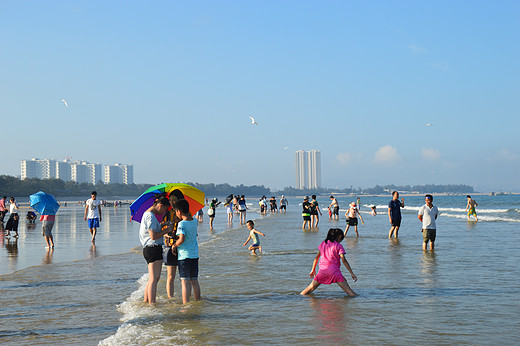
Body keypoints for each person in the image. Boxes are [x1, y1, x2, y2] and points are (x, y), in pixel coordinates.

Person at [300, 228, 357, 296]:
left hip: (323, 271)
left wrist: (313, 269)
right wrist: (352, 273)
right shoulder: (339, 246)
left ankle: (299, 300)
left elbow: (317, 257)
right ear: (339, 236)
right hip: (334, 272)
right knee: (349, 292)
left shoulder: (323, 243)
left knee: (309, 289)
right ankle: (359, 303)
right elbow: (344, 260)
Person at [139, 196, 171, 305]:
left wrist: (162, 225)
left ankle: (146, 300)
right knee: (154, 279)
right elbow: (153, 236)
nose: (163, 212)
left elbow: (151, 230)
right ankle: (152, 303)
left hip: (148, 248)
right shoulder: (151, 216)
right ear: (160, 205)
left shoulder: (147, 214)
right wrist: (167, 230)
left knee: (152, 278)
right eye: (164, 209)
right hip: (153, 248)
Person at [171, 199, 201, 304]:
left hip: (184, 256)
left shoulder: (181, 224)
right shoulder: (195, 221)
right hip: (194, 254)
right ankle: (198, 301)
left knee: (184, 281)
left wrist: (174, 245)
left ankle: (185, 303)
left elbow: (182, 239)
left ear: (179, 211)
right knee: (194, 281)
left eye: (175, 212)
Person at [161, 190, 184, 298]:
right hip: (170, 247)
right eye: (170, 200)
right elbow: (161, 228)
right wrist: (167, 229)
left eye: (174, 200)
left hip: (182, 246)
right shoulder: (167, 214)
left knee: (184, 276)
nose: (171, 203)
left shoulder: (184, 214)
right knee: (170, 276)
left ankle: (186, 298)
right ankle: (171, 298)